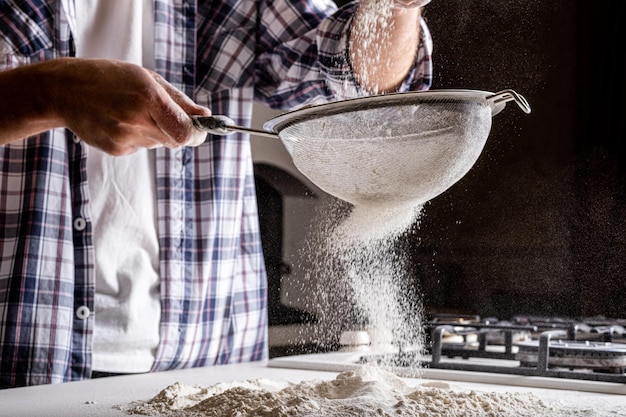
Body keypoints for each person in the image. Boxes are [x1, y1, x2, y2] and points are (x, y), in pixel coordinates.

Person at [0, 0, 433, 388]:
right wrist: (48, 92)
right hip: (20, 353)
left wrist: (397, 6)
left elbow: (355, 85)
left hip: (210, 367)